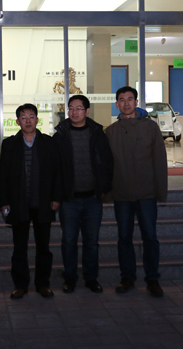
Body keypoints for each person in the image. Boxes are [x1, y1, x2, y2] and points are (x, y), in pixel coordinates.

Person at [105, 86, 168, 297]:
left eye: (130, 99)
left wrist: (161, 191)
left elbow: (159, 160)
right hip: (122, 193)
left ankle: (152, 279)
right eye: (122, 100)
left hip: (146, 192)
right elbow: (107, 165)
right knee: (124, 237)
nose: (126, 103)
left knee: (150, 236)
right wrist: (107, 192)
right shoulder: (111, 131)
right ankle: (127, 278)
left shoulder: (150, 127)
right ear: (117, 104)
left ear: (136, 102)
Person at [0, 104, 61, 299]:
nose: (28, 120)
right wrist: (5, 201)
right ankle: (20, 285)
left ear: (37, 120)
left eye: (31, 116)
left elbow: (57, 172)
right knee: (19, 248)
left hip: (43, 202)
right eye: (23, 117)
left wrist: (56, 197)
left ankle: (43, 284)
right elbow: (3, 176)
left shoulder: (48, 143)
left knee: (44, 248)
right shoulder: (9, 144)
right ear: (18, 121)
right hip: (18, 203)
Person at [53, 94, 113, 294]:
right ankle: (70, 278)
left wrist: (104, 188)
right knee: (69, 241)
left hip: (93, 199)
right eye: (71, 108)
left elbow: (108, 162)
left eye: (78, 108)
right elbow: (54, 168)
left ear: (87, 111)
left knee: (91, 242)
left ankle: (91, 278)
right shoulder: (60, 135)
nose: (74, 112)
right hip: (69, 199)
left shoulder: (97, 134)